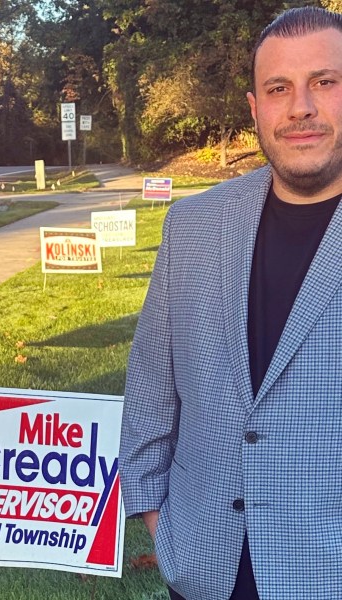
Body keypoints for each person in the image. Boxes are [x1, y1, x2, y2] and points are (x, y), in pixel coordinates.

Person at [119, 7, 342, 600]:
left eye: (324, 82)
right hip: (205, 570)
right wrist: (163, 530)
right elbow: (149, 390)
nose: (301, 107)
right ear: (254, 108)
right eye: (279, 89)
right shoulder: (193, 226)